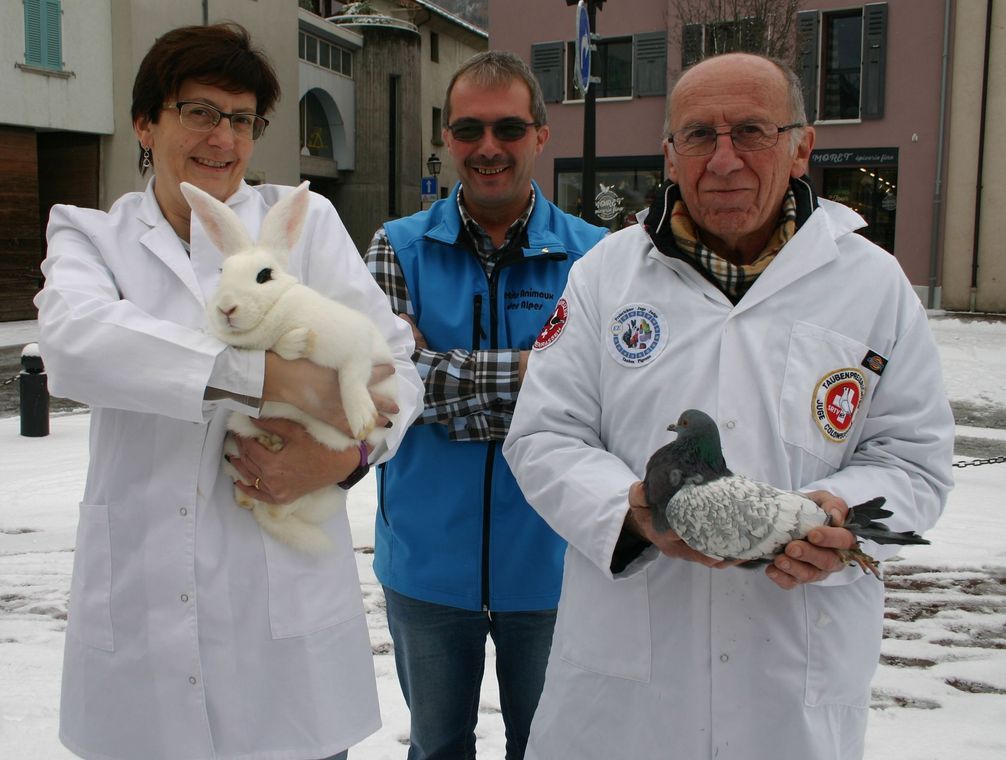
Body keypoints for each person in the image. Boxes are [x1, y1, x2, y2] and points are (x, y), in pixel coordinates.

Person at [502, 52, 955, 760]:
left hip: (793, 667)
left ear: (801, 146)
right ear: (669, 155)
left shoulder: (873, 284)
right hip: (628, 680)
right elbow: (542, 437)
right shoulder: (605, 277)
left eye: (752, 131)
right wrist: (631, 513)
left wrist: (838, 512)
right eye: (698, 136)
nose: (724, 159)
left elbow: (915, 460)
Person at [34, 23, 422, 760]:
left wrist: (343, 460)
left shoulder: (300, 227)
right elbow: (75, 345)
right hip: (140, 629)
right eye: (200, 111)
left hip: (284, 642)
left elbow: (394, 369)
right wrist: (269, 375)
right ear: (147, 122)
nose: (224, 137)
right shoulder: (92, 235)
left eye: (242, 119)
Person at [363, 51, 607, 760]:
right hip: (425, 562)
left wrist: (439, 379)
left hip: (558, 562)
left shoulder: (597, 259)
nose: (488, 147)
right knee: (436, 749)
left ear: (540, 135)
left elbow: (600, 397)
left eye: (507, 127)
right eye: (469, 129)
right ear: (446, 136)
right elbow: (385, 389)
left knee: (553, 747)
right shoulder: (396, 248)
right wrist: (536, 376)